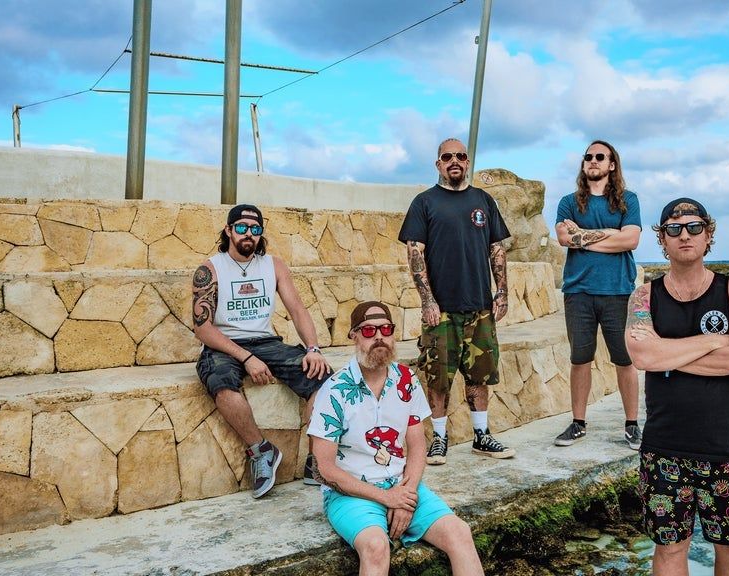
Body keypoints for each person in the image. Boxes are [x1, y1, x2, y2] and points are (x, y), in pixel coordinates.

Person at [626, 198, 729, 575]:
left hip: (728, 447)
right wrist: (713, 341)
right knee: (670, 550)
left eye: (694, 227)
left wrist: (667, 352)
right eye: (674, 229)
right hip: (664, 449)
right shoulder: (644, 296)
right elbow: (643, 356)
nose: (684, 235)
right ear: (663, 239)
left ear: (708, 235)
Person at [308, 302, 485, 576]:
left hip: (401, 486)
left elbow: (417, 445)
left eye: (386, 329)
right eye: (369, 331)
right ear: (353, 336)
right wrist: (388, 498)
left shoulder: (406, 379)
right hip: (351, 494)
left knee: (459, 532)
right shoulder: (334, 390)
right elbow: (325, 469)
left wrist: (406, 496)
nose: (379, 337)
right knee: (376, 547)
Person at [192, 204, 332, 498]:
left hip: (266, 342)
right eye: (241, 228)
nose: (249, 234)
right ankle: (261, 451)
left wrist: (313, 348)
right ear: (228, 230)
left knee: (322, 378)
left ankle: (317, 460)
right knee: (221, 383)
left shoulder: (274, 265)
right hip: (224, 343)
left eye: (255, 229)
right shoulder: (210, 269)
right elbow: (203, 328)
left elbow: (297, 309)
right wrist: (246, 358)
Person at [397, 137, 515, 465]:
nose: (454, 161)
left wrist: (502, 292)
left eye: (460, 156)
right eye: (447, 156)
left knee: (480, 375)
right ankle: (440, 439)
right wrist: (427, 301)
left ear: (467, 162)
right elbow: (415, 253)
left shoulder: (483, 200)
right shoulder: (424, 202)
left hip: (480, 308)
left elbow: (496, 249)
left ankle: (481, 435)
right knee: (438, 377)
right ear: (438, 163)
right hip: (442, 311)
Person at [553, 140, 643, 449]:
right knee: (580, 359)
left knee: (624, 360)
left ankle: (632, 425)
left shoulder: (628, 200)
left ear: (611, 164)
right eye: (588, 157)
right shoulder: (568, 202)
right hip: (578, 292)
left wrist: (583, 236)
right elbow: (565, 237)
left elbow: (631, 240)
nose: (593, 160)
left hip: (618, 291)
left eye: (600, 157)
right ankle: (578, 423)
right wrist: (611, 234)